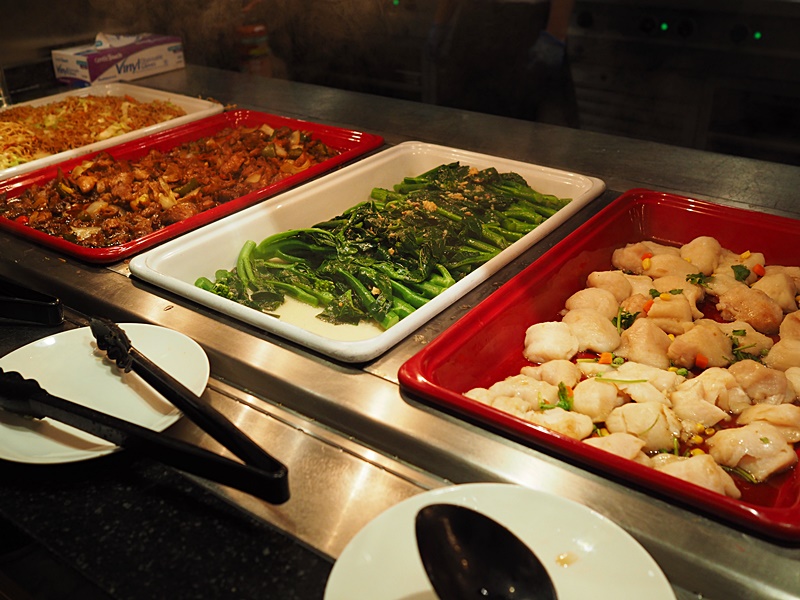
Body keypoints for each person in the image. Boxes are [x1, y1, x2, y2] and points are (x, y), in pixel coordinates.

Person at [422, 0, 579, 127]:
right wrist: (440, 22)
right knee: (459, 119)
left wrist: (555, 34)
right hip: (472, 20)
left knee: (521, 122)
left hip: (525, 24)